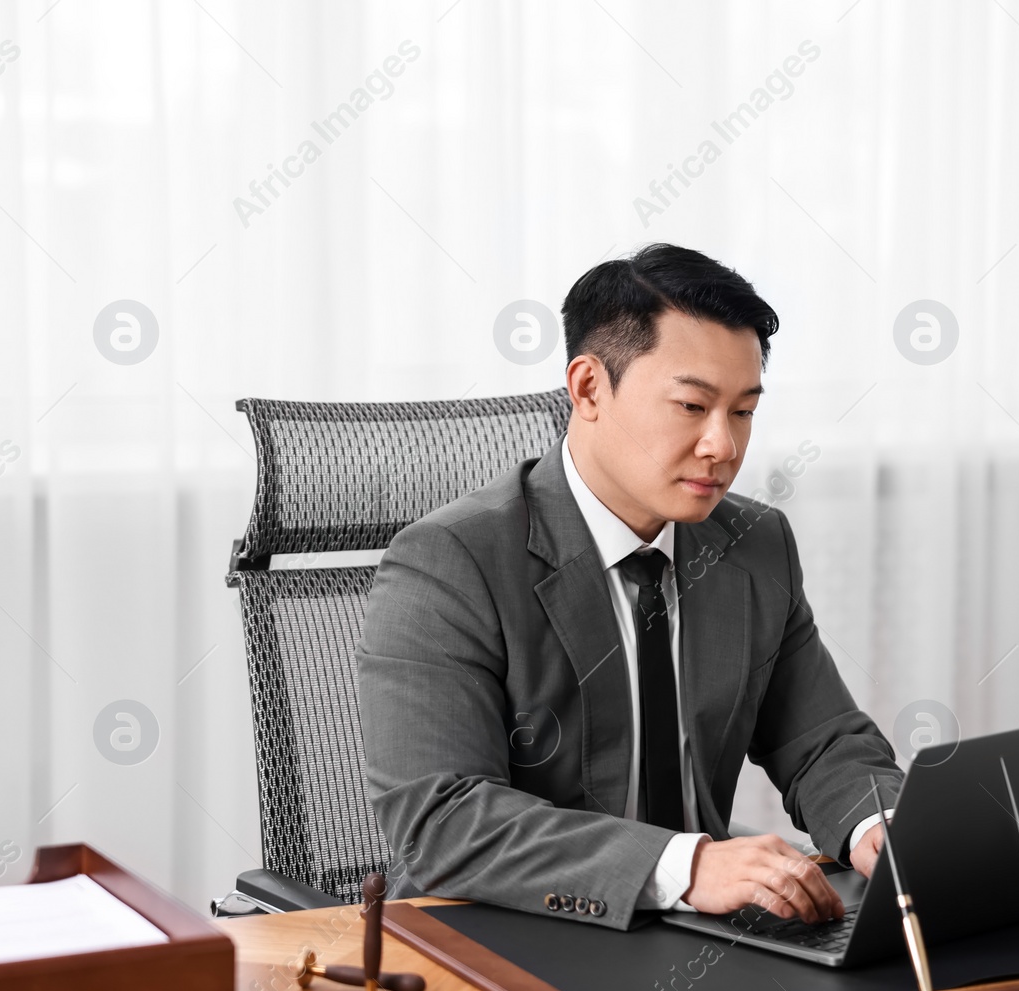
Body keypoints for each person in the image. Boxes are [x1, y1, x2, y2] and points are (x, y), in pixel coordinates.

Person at [356, 243, 903, 931]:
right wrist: (687, 866)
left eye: (742, 412)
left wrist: (881, 826)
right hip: (508, 941)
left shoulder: (754, 545)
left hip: (702, 942)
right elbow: (442, 820)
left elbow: (823, 741)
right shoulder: (447, 563)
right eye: (692, 405)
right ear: (588, 388)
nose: (723, 446)